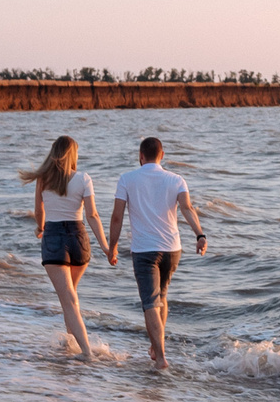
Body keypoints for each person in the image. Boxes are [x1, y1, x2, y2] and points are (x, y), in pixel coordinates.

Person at [106, 135, 207, 370]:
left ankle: (161, 358)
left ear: (141, 157)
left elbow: (117, 217)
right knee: (162, 296)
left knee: (150, 302)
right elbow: (187, 208)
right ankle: (156, 347)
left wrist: (112, 247)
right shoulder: (176, 179)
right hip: (172, 249)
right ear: (162, 155)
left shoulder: (127, 179)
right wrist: (200, 235)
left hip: (144, 250)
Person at [21, 134, 106, 358]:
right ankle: (72, 346)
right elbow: (93, 215)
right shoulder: (84, 178)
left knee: (68, 300)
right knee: (70, 297)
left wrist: (39, 228)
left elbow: (39, 212)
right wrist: (106, 247)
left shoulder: (43, 179)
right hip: (78, 239)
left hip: (54, 238)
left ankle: (86, 352)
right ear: (73, 156)